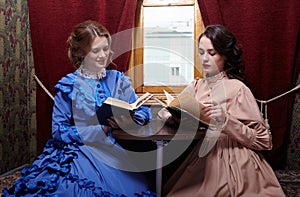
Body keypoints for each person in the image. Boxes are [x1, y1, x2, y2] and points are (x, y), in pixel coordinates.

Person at [2, 20, 155, 197]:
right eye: (96, 51)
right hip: (79, 149)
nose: (103, 55)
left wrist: (129, 121)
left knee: (134, 186)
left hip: (113, 148)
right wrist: (101, 128)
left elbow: (142, 110)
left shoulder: (117, 79)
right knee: (72, 189)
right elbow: (58, 131)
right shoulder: (68, 85)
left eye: (105, 49)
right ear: (81, 53)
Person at [160, 25, 285, 196]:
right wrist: (168, 115)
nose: (204, 59)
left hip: (238, 159)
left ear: (225, 56)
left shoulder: (238, 88)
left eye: (212, 53)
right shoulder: (196, 86)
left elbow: (264, 141)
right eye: (201, 52)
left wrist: (227, 121)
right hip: (203, 154)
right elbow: (176, 108)